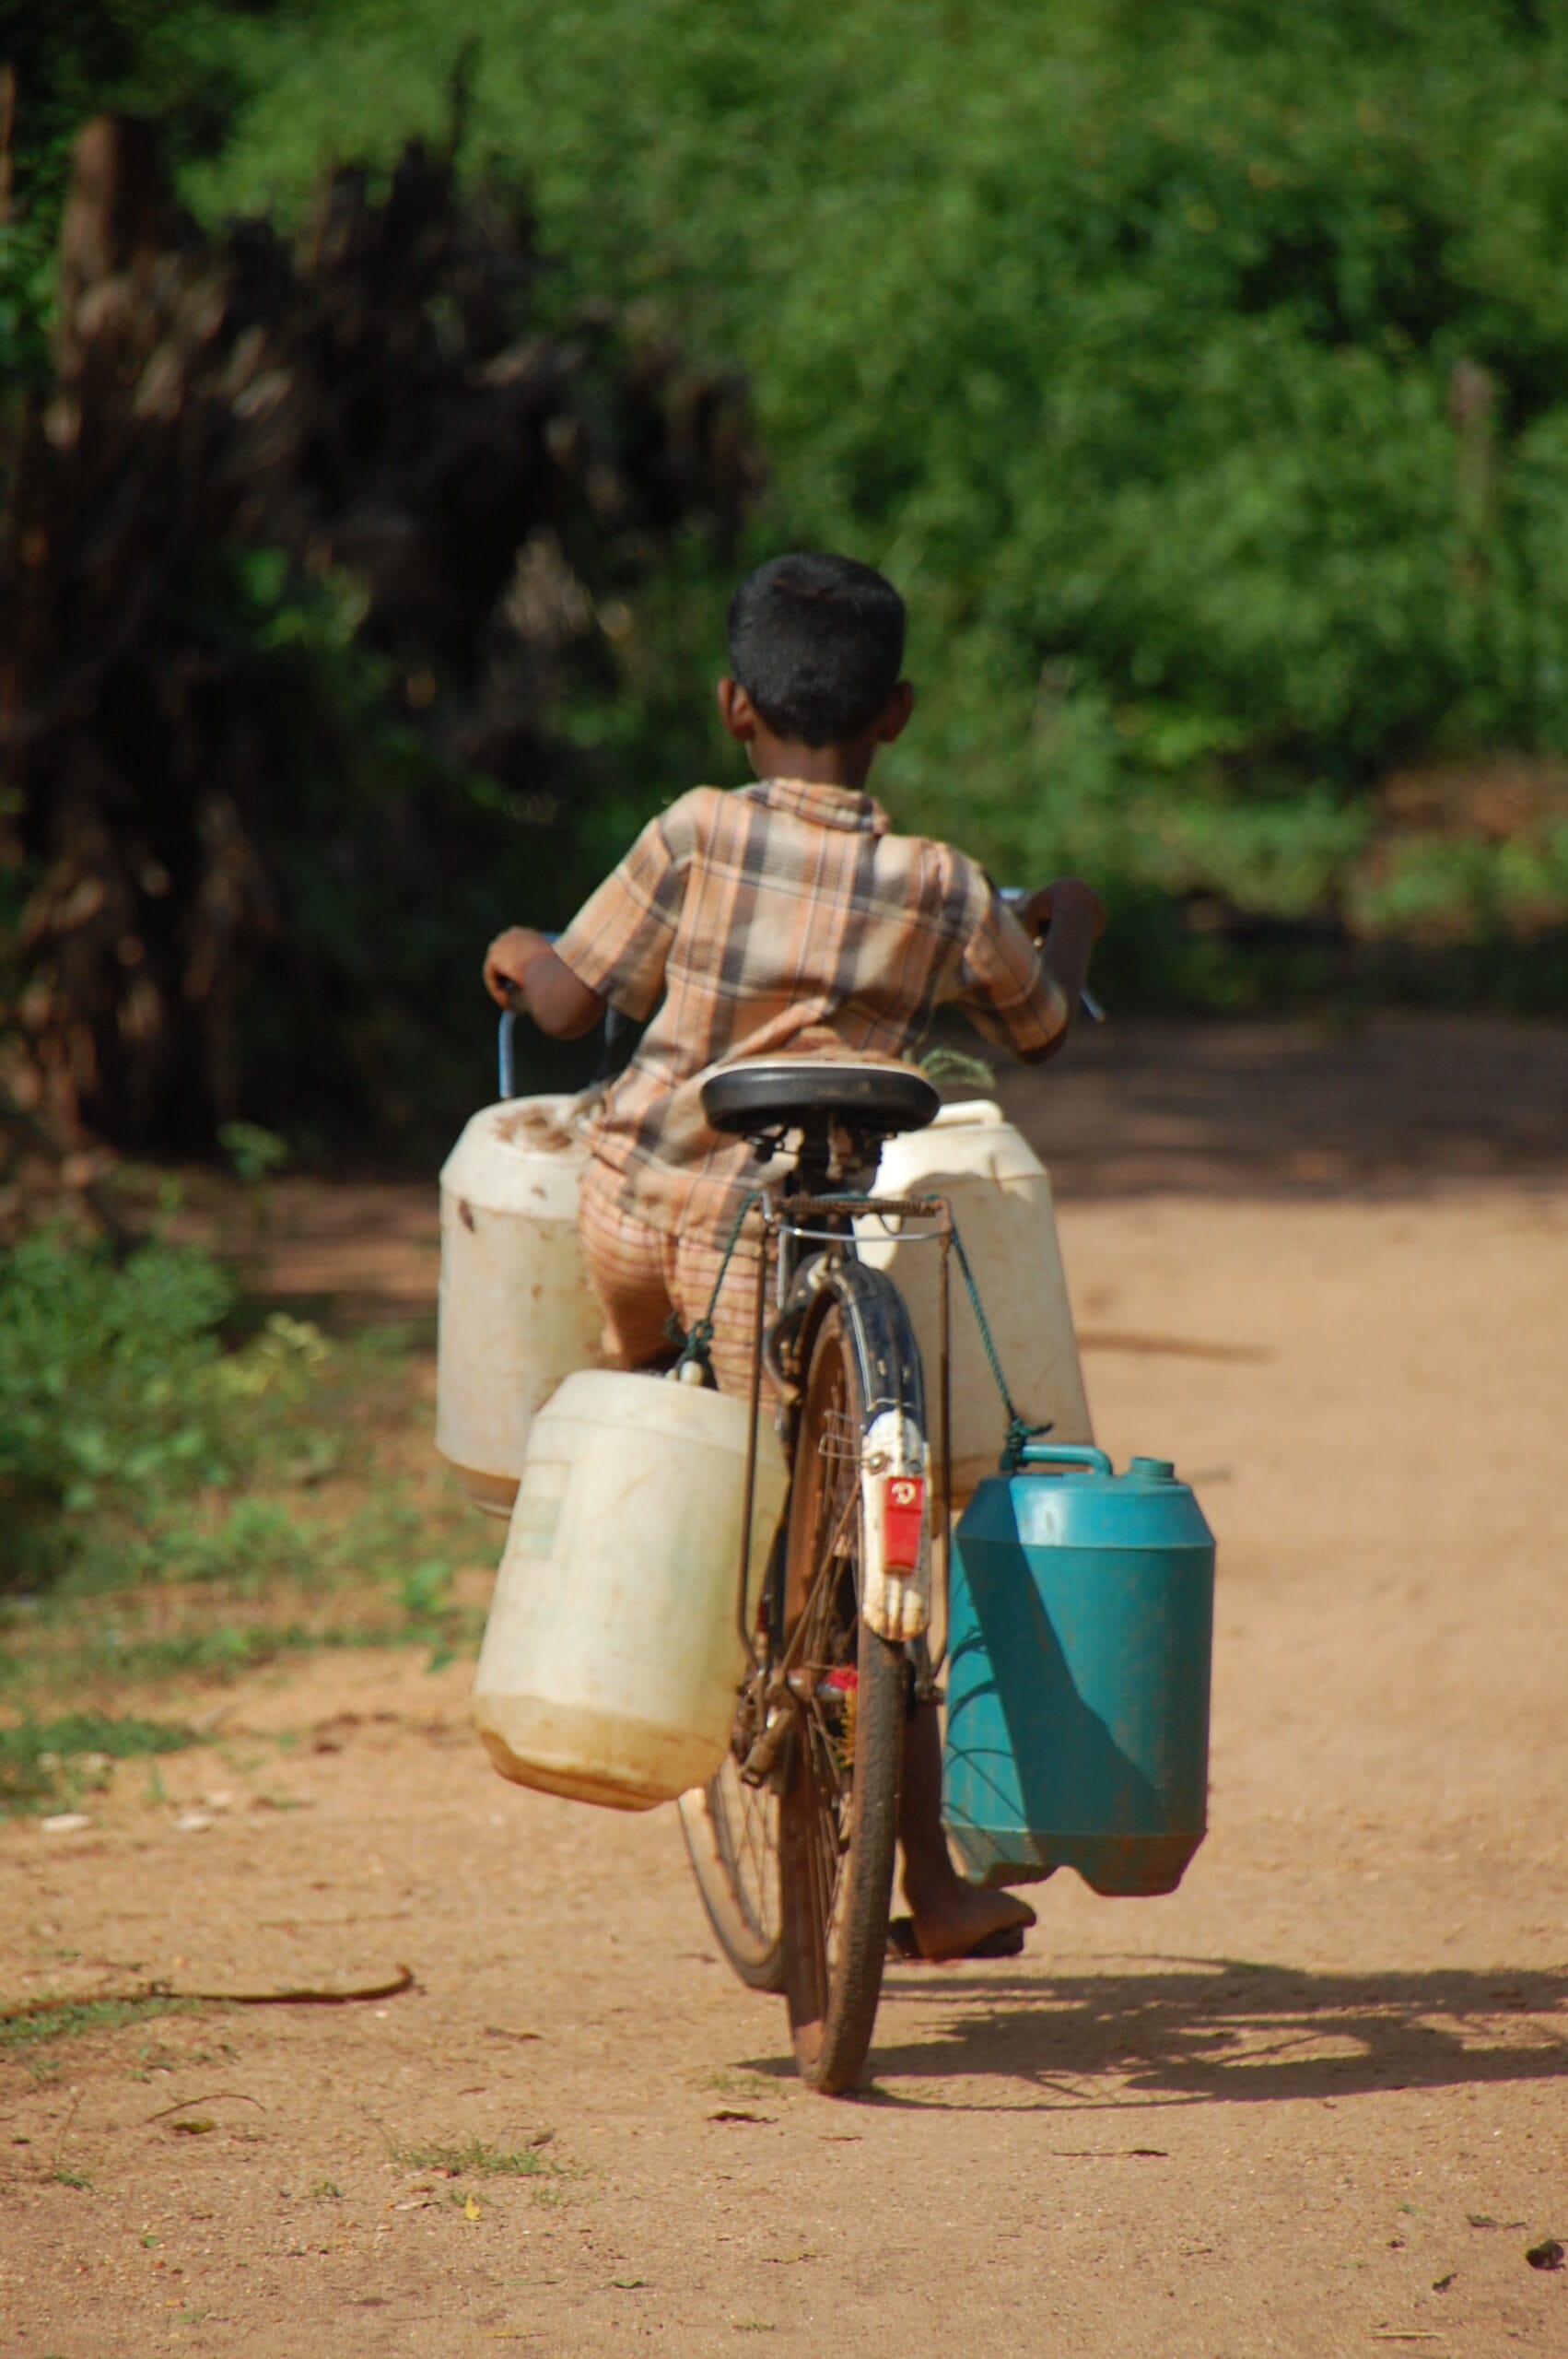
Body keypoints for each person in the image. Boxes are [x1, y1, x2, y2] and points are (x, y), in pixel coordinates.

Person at [484, 551, 1104, 1963]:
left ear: (730, 704)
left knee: (674, 1420)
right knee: (851, 1544)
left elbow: (574, 1001)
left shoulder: (693, 834)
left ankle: (654, 1505)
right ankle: (931, 1885)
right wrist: (1065, 920)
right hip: (807, 1232)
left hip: (643, 1215)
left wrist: (518, 949)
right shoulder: (942, 886)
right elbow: (1040, 1028)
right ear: (894, 714)